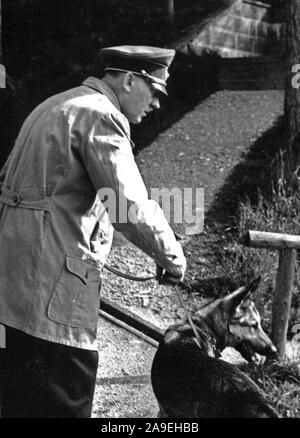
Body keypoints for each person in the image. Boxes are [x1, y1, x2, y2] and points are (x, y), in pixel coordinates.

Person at [0, 45, 186, 418]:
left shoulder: (53, 105)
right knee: (64, 400)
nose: (157, 105)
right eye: (155, 90)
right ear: (129, 80)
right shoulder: (102, 115)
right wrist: (173, 256)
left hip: (11, 290)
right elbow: (127, 206)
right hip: (52, 293)